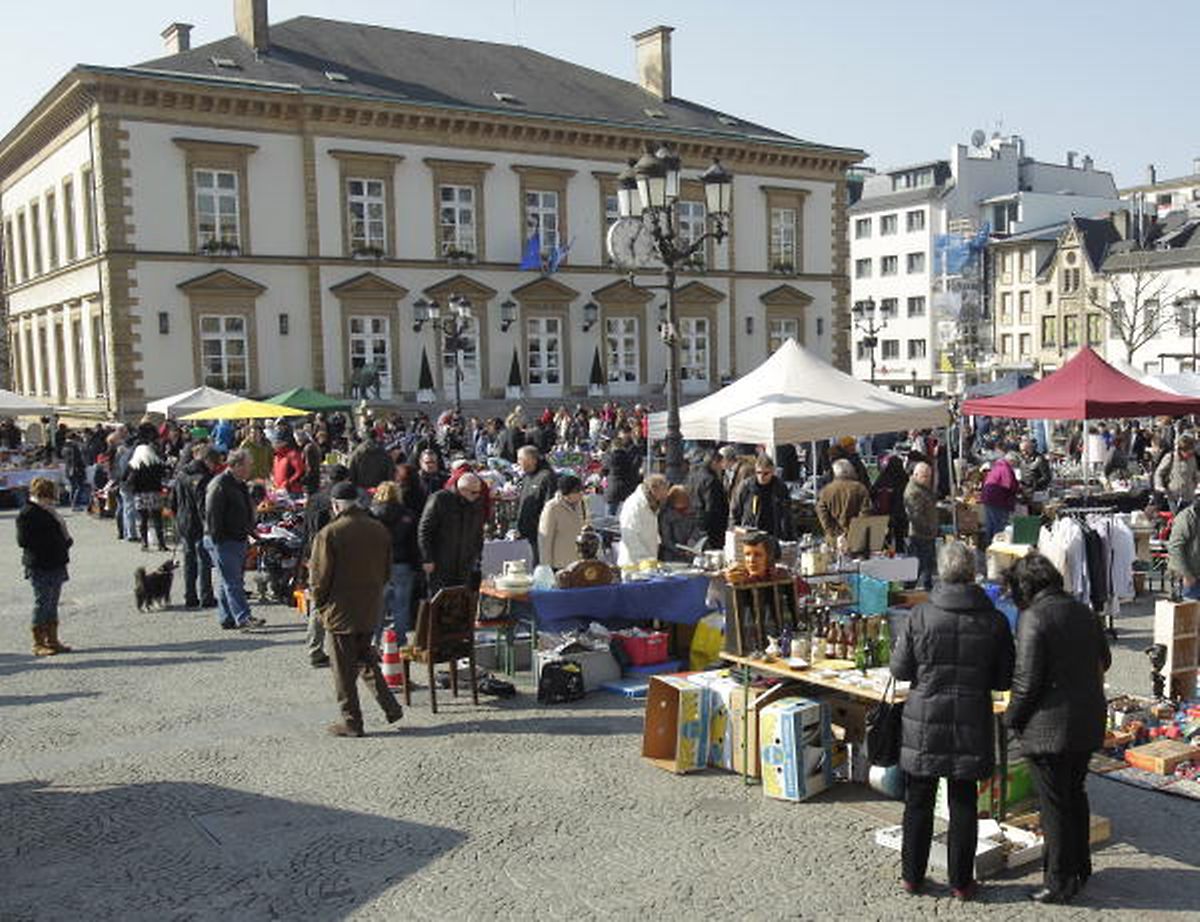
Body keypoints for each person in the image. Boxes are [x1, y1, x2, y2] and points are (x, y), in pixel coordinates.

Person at [890, 541, 1015, 900]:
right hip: (970, 717)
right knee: (963, 801)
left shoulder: (920, 615)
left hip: (925, 718)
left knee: (919, 799)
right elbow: (1003, 680)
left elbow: (900, 670)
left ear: (942, 573)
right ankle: (961, 882)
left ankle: (912, 876)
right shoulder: (994, 620)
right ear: (972, 572)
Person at [1004, 553, 1111, 904]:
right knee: (1074, 794)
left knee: (1054, 805)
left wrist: (1011, 720)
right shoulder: (1084, 612)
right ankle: (1080, 867)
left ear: (1025, 587)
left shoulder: (1033, 617)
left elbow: (1026, 683)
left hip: (1049, 728)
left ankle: (1059, 880)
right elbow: (1104, 661)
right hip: (1087, 718)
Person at [310, 481, 404, 737]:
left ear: (335, 505)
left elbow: (319, 577)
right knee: (366, 661)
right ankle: (390, 706)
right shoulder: (378, 529)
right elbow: (387, 571)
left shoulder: (330, 533)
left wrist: (319, 604)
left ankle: (352, 721)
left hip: (340, 609)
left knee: (343, 670)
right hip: (370, 605)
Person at [204, 448, 266, 631]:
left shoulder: (238, 483)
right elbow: (212, 513)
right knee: (233, 581)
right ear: (237, 465)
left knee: (228, 580)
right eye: (248, 465)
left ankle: (227, 617)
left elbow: (243, 511)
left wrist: (251, 531)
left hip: (236, 537)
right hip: (223, 539)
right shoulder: (220, 484)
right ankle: (243, 617)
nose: (250, 468)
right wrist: (217, 539)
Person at [16, 477, 74, 656]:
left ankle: (53, 639)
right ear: (41, 495)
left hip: (56, 562)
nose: (53, 500)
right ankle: (38, 642)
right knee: (42, 603)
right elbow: (23, 541)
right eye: (50, 496)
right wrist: (52, 543)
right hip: (40, 564)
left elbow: (60, 534)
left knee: (53, 602)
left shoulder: (50, 511)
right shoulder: (27, 513)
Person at [301, 464, 351, 667]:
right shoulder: (341, 500)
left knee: (317, 602)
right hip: (336, 553)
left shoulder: (314, 498)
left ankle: (315, 648)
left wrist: (306, 555)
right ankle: (344, 648)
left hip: (314, 554)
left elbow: (306, 529)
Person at [418, 471, 486, 593]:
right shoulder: (440, 499)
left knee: (461, 600)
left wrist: (477, 555)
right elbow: (424, 530)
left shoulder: (475, 503)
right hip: (441, 562)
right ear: (463, 490)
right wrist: (427, 558)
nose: (478, 495)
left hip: (464, 564)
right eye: (474, 492)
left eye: (479, 492)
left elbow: (478, 531)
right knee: (439, 601)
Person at [370, 480, 420, 646]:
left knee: (378, 605)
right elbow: (414, 543)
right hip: (402, 562)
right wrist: (417, 564)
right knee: (401, 605)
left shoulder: (371, 514)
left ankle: (374, 640)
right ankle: (400, 640)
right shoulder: (408, 515)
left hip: (378, 563)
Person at [171, 445, 219, 609]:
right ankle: (206, 595)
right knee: (203, 560)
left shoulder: (181, 474)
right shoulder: (203, 477)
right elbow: (202, 505)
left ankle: (190, 595)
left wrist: (176, 517)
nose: (215, 467)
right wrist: (209, 524)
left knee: (189, 559)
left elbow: (173, 500)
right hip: (198, 523)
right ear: (207, 461)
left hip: (183, 520)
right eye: (215, 463)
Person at [729, 455, 796, 544]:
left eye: (766, 473)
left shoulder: (780, 487)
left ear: (772, 471)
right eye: (758, 473)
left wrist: (789, 536)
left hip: (773, 532)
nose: (762, 477)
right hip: (751, 532)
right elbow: (735, 510)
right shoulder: (747, 486)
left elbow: (787, 513)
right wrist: (735, 530)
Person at [516, 445, 558, 566]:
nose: (518, 462)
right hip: (527, 531)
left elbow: (549, 506)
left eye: (520, 459)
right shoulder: (527, 476)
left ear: (531, 459)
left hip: (540, 532)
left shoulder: (546, 477)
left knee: (540, 565)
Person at [124, 443, 169, 551]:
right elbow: (165, 474)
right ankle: (161, 543)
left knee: (143, 520)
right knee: (157, 519)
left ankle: (144, 543)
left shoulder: (134, 465)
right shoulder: (156, 463)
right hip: (155, 493)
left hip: (140, 494)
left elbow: (125, 478)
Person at [617, 474, 670, 566]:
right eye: (664, 490)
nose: (666, 494)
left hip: (649, 562)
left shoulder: (652, 504)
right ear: (654, 489)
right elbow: (630, 536)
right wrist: (644, 559)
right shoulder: (634, 505)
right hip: (633, 564)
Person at [537, 474, 587, 570]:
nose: (581, 493)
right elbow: (545, 539)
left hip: (580, 562)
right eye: (577, 491)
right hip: (560, 564)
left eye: (581, 490)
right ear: (566, 494)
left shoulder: (582, 504)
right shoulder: (552, 507)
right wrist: (546, 566)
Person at [816, 458, 871, 541]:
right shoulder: (860, 488)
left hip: (834, 539)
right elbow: (865, 512)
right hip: (856, 538)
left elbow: (822, 514)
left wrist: (834, 532)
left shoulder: (826, 491)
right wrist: (855, 532)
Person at [903, 462, 939, 590]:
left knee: (927, 564)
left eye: (929, 476)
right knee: (917, 565)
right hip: (919, 534)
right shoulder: (914, 491)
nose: (928, 479)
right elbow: (915, 516)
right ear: (916, 475)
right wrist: (929, 528)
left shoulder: (923, 488)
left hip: (928, 533)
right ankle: (908, 589)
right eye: (925, 476)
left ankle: (927, 587)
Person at [687, 449, 728, 552]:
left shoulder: (693, 475)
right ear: (714, 462)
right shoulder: (711, 480)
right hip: (711, 524)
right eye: (720, 463)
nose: (721, 467)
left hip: (695, 518)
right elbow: (713, 505)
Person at [980, 454, 1020, 546]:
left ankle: (988, 544)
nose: (1015, 466)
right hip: (998, 500)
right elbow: (1009, 484)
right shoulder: (1006, 468)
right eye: (1015, 464)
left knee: (990, 523)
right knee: (999, 524)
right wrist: (1018, 488)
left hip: (988, 498)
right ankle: (997, 546)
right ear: (1011, 461)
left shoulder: (997, 467)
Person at [1154, 434, 1198, 512]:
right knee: (1175, 519)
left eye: (1191, 451)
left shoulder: (1192, 459)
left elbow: (1194, 474)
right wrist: (1160, 486)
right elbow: (1159, 473)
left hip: (1189, 496)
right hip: (1173, 496)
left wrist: (1196, 485)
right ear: (1182, 450)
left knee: (1187, 519)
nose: (1190, 453)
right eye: (1188, 451)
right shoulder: (1171, 457)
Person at [659, 485, 701, 562]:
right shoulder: (666, 516)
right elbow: (666, 539)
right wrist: (680, 551)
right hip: (671, 556)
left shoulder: (691, 512)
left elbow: (696, 529)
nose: (684, 511)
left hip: (689, 553)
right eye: (680, 509)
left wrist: (692, 542)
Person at [603, 432, 641, 515]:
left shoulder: (608, 457)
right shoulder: (627, 457)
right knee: (625, 514)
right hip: (625, 487)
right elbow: (632, 470)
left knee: (609, 516)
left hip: (612, 487)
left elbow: (603, 471)